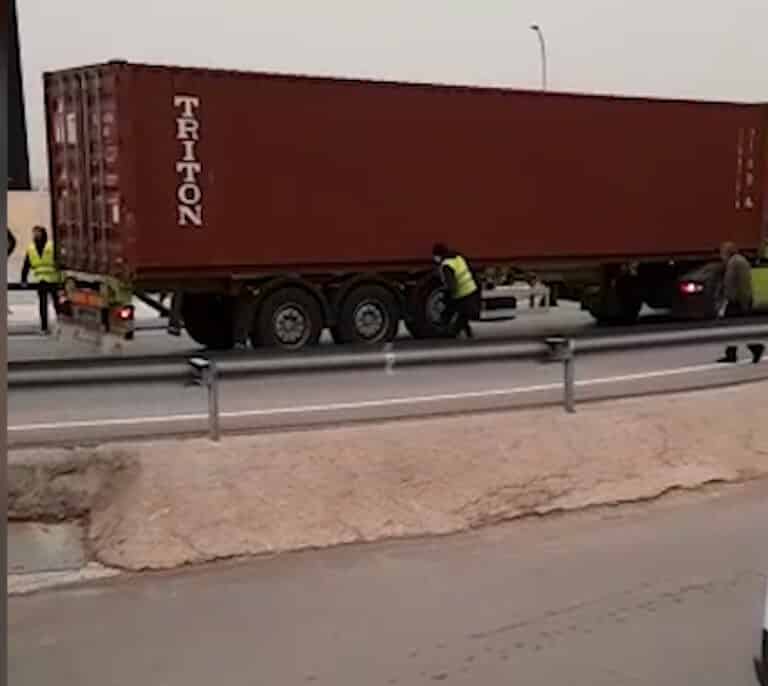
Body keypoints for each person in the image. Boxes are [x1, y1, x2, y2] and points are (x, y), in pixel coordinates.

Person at [717, 241, 764, 364]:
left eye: (722, 252)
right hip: (736, 300)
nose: (721, 255)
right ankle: (732, 354)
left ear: (728, 252)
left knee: (734, 328)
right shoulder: (735, 262)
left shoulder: (736, 262)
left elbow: (742, 284)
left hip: (739, 301)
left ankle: (755, 348)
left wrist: (744, 302)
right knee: (732, 328)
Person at [432, 243, 481, 339]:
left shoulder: (447, 265)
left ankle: (452, 333)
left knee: (456, 312)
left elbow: (451, 284)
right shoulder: (458, 258)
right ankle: (467, 333)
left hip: (462, 292)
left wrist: (446, 296)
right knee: (463, 313)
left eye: (435, 256)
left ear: (439, 255)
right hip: (471, 289)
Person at [21, 226, 61, 335]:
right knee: (42, 305)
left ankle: (60, 324)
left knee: (57, 304)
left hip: (53, 279)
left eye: (38, 232)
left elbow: (59, 262)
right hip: (41, 280)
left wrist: (61, 278)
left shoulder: (51, 246)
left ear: (43, 233)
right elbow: (26, 264)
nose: (36, 235)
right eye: (34, 233)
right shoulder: (31, 248)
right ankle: (44, 327)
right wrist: (23, 279)